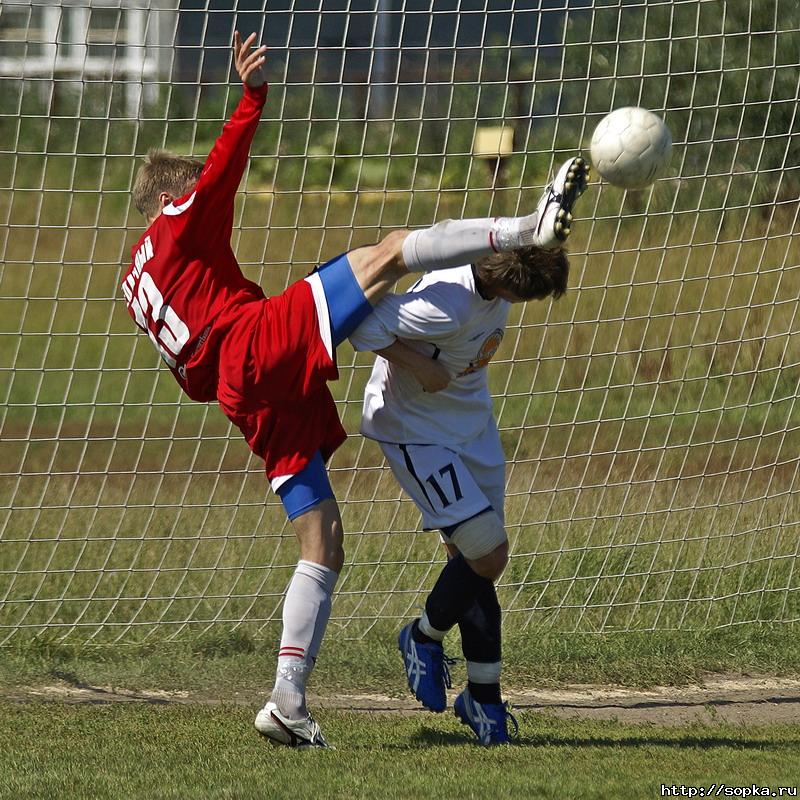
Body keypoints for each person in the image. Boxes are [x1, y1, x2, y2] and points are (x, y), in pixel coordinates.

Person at [121, 30, 588, 748]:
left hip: (241, 397)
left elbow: (189, 374)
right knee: (393, 249)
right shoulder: (178, 219)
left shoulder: (134, 282)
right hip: (256, 346)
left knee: (324, 541)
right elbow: (219, 174)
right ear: (169, 200)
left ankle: (287, 701)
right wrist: (252, 98)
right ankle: (527, 225)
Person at [348, 223, 586, 744]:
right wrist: (412, 362)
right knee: (490, 555)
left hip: (471, 429)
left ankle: (484, 701)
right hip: (417, 432)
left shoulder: (492, 257)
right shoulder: (446, 306)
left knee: (474, 565)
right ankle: (420, 637)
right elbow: (354, 316)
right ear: (509, 286)